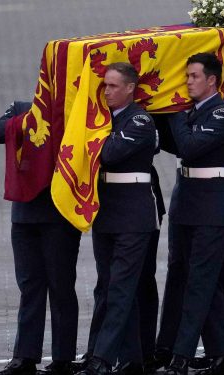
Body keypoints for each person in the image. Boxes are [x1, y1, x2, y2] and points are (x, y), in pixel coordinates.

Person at [0, 99, 82, 375]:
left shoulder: (72, 110)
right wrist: (28, 119)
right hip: (25, 214)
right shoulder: (23, 108)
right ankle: (25, 357)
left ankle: (63, 359)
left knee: (61, 287)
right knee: (30, 287)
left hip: (60, 214)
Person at [79, 62, 160, 375]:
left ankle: (103, 358)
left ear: (130, 88)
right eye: (105, 86)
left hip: (133, 215)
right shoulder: (106, 119)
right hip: (107, 212)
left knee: (121, 288)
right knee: (106, 286)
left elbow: (109, 153)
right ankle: (127, 357)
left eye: (113, 86)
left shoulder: (139, 120)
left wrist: (92, 135)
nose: (107, 92)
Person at [162, 52, 224, 375]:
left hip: (212, 207)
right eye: (187, 76)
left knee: (199, 282)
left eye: (194, 76)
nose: (188, 82)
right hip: (187, 202)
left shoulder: (223, 114)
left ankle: (180, 357)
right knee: (196, 281)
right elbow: (173, 143)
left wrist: (175, 114)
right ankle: (222, 355)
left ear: (212, 80)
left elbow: (190, 146)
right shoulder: (193, 113)